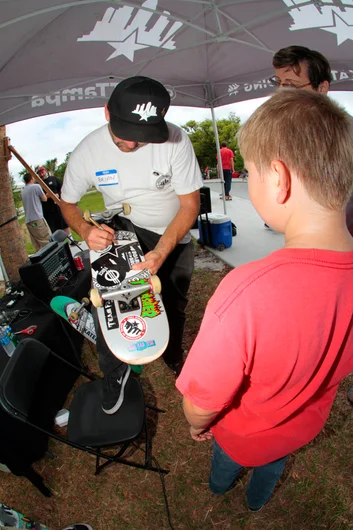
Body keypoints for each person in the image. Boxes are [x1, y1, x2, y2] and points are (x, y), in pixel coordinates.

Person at [176, 89, 353, 512]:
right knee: (272, 466)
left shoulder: (247, 290)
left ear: (278, 178)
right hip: (302, 426)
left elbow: (200, 403)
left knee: (226, 466)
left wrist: (198, 424)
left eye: (250, 172)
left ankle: (220, 491)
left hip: (243, 435)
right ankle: (257, 504)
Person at [60, 76, 203, 414]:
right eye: (124, 134)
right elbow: (67, 203)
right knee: (112, 296)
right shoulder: (88, 150)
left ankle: (172, 356)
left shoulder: (175, 139)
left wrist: (163, 250)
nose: (132, 143)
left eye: (142, 137)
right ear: (107, 112)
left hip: (172, 232)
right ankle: (116, 371)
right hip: (127, 228)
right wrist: (83, 229)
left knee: (174, 298)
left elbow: (189, 206)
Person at [36, 165, 71, 236]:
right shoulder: (38, 185)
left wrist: (58, 194)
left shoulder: (53, 179)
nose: (42, 174)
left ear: (45, 171)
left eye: (42, 172)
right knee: (52, 226)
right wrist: (47, 196)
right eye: (40, 173)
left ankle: (71, 240)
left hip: (57, 205)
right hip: (47, 209)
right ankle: (59, 243)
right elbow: (38, 197)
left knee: (63, 223)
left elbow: (62, 187)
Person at [21, 173, 51, 251]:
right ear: (32, 178)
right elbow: (44, 199)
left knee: (37, 244)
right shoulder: (36, 187)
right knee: (47, 240)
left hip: (28, 221)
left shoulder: (23, 191)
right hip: (37, 219)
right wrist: (47, 195)